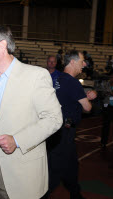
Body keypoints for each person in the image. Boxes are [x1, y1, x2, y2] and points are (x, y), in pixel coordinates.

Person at [0, 24, 63, 199]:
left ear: (2, 46)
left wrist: (17, 140)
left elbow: (53, 119)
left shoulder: (36, 75)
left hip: (24, 176)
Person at [45, 50, 97, 199]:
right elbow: (87, 108)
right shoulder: (73, 82)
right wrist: (89, 99)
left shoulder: (57, 78)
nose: (85, 64)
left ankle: (75, 193)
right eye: (82, 61)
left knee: (71, 165)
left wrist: (81, 97)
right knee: (55, 170)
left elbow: (66, 99)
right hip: (65, 132)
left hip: (55, 129)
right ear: (72, 62)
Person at [100, 69, 113, 148]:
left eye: (112, 77)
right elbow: (102, 93)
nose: (111, 78)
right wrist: (104, 93)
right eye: (110, 77)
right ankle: (103, 141)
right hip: (107, 105)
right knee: (105, 124)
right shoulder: (107, 83)